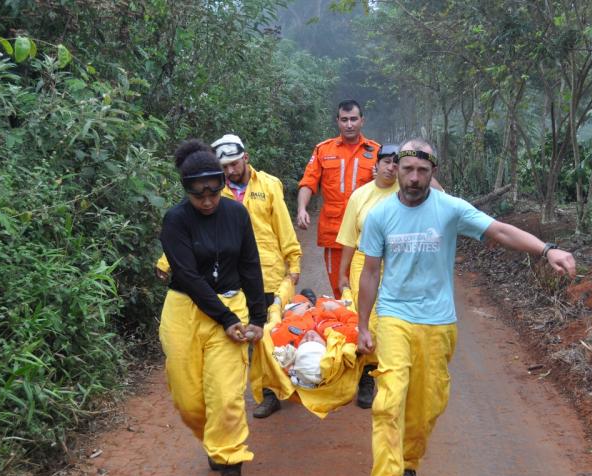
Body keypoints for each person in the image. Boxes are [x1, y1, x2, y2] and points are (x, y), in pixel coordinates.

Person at [356, 138, 576, 476]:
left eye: (422, 171)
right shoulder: (379, 215)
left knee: (428, 403)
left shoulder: (450, 209)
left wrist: (547, 249)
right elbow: (370, 273)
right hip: (394, 317)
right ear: (397, 169)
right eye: (407, 169)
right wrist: (362, 325)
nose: (413, 177)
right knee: (389, 396)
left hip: (439, 321)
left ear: (433, 173)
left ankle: (408, 464)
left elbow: (500, 231)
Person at [157, 133, 302, 419]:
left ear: (245, 158)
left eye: (234, 164)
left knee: (264, 335)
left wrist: (293, 259)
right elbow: (191, 236)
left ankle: (269, 392)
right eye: (225, 166)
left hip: (266, 271)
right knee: (240, 339)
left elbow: (283, 225)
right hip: (228, 276)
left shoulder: (269, 186)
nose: (231, 171)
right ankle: (246, 394)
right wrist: (165, 262)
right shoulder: (212, 191)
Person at [158, 139, 267, 476]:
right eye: (198, 194)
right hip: (185, 311)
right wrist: (227, 320)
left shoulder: (237, 215)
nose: (207, 200)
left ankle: (231, 466)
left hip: (232, 304)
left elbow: (251, 264)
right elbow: (187, 276)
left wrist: (257, 318)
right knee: (189, 400)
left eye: (214, 191)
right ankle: (213, 439)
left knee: (226, 396)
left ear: (222, 182)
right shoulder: (175, 221)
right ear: (186, 190)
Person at [336, 145, 444, 409]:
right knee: (369, 323)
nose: (391, 167)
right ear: (377, 164)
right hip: (365, 262)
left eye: (398, 164)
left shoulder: (410, 192)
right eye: (386, 162)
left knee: (394, 322)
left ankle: (393, 377)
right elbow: (349, 237)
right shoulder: (360, 196)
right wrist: (342, 274)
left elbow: (442, 197)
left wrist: (421, 165)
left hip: (398, 262)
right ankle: (366, 377)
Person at [296, 99, 380, 299]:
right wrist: (301, 208)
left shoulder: (377, 151)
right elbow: (308, 182)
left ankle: (367, 328)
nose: (349, 124)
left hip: (367, 231)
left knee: (368, 286)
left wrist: (383, 178)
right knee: (339, 286)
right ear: (337, 121)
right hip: (335, 231)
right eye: (344, 120)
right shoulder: (323, 150)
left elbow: (392, 186)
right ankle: (347, 327)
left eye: (353, 119)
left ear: (362, 120)